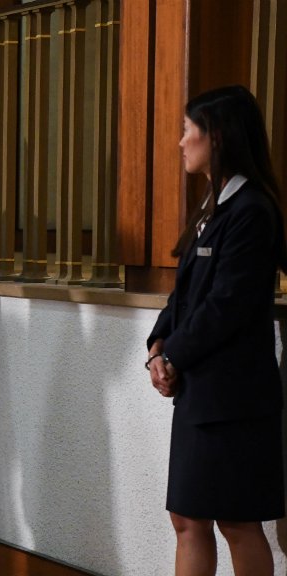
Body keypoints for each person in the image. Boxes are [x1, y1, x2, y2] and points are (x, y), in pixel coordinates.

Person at [147, 84, 286, 575]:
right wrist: (157, 346)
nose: (181, 141)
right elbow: (184, 293)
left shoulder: (252, 210)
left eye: (188, 130)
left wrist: (174, 356)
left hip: (233, 397)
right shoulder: (213, 206)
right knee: (187, 518)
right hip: (199, 390)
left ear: (218, 136)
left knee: (237, 521)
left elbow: (225, 305)